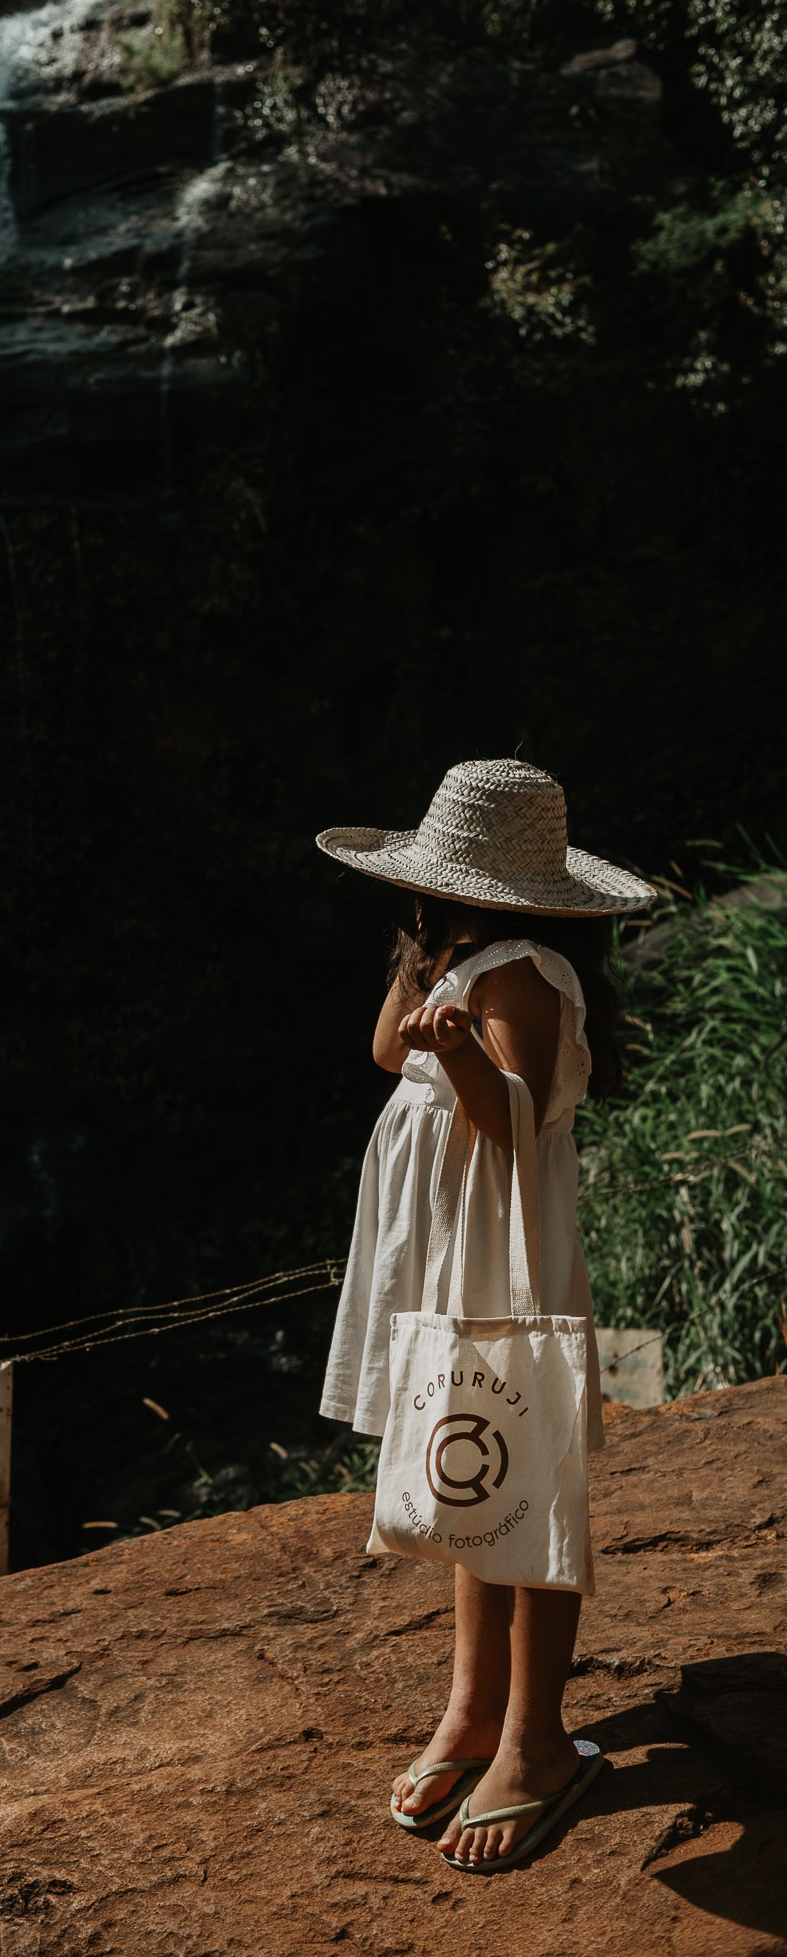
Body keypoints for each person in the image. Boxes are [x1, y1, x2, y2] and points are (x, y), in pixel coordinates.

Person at [314, 758, 656, 1871]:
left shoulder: (525, 972)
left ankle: (536, 1739)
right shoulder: (458, 961)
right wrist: (419, 966)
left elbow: (513, 1122)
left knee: (524, 1465)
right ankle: (472, 1712)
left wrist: (457, 1046)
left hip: (501, 1249)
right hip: (448, 1244)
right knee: (473, 1467)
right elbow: (383, 1052)